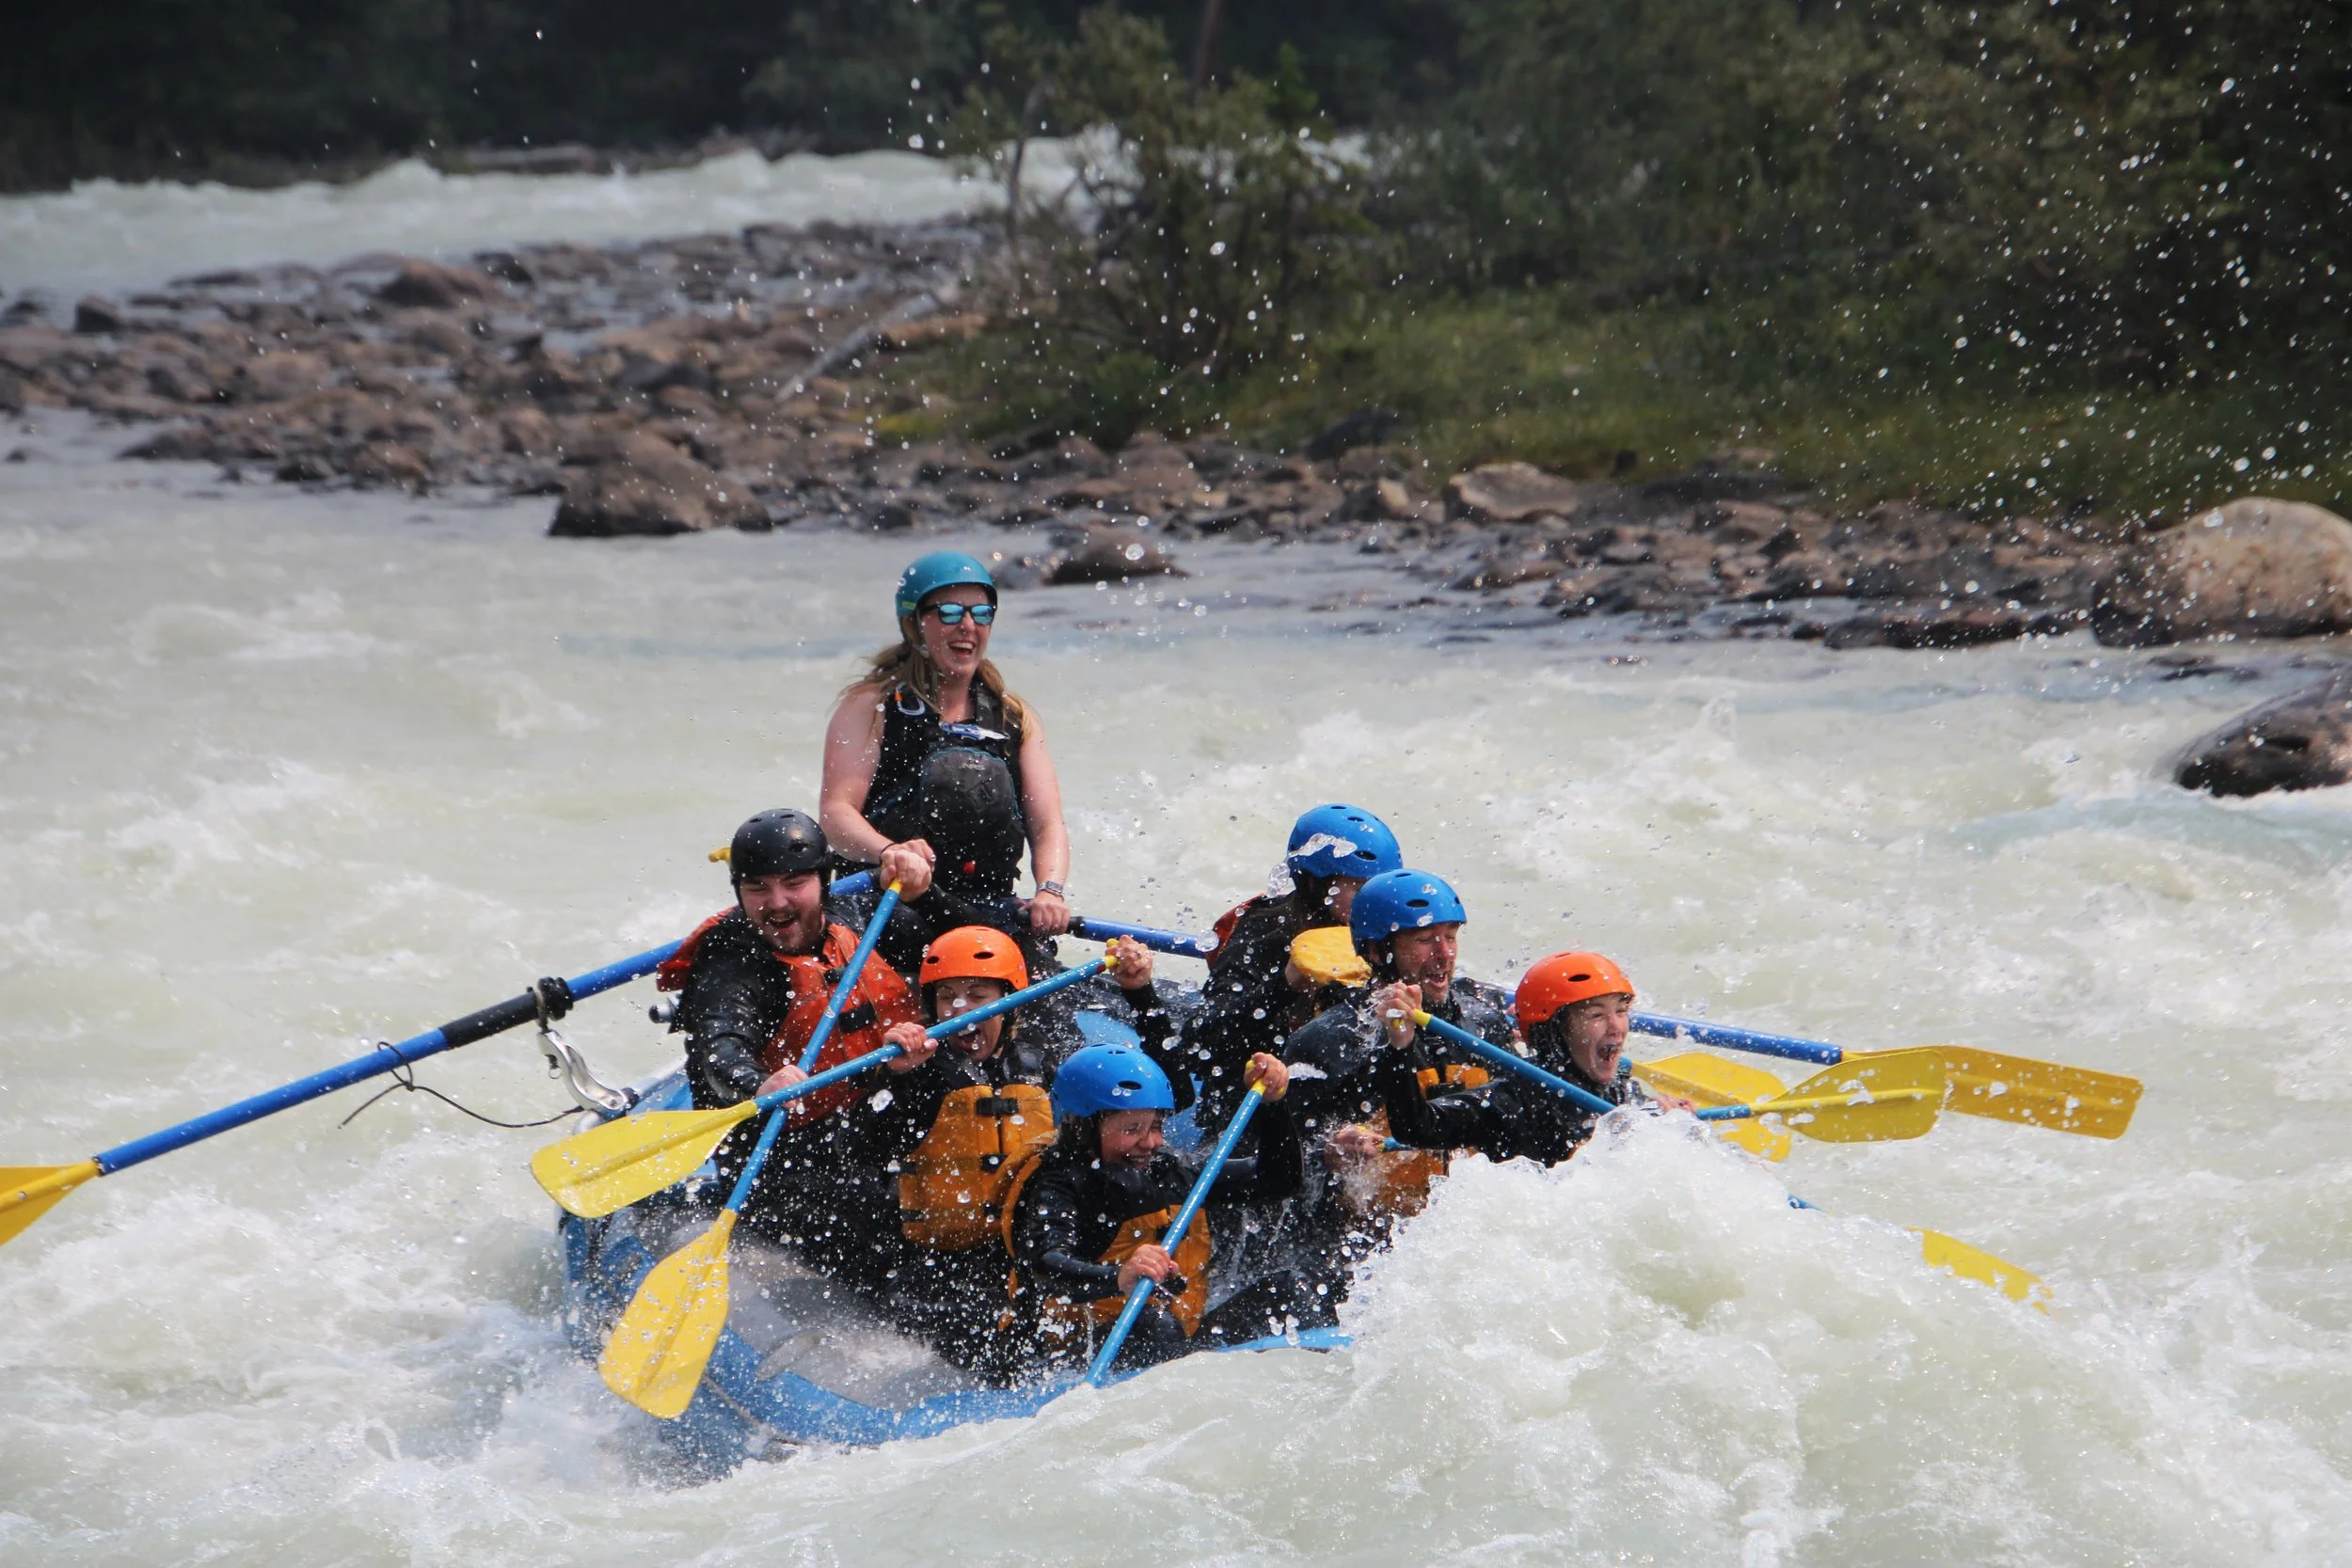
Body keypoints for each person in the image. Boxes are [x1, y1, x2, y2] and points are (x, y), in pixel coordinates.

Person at [834, 928, 1192, 1374]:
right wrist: (895, 1078)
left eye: (978, 994)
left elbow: (1170, 1095)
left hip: (1036, 1247)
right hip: (947, 1268)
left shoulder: (1046, 1062)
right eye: (947, 997)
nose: (960, 1009)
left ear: (1011, 1001)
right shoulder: (921, 1073)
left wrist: (1141, 997)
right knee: (1004, 1353)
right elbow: (857, 1150)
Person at [657, 809, 933, 1265]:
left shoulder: (858, 918)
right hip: (788, 1155)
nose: (778, 902)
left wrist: (926, 890)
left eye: (793, 883)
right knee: (871, 1210)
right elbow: (720, 1045)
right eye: (757, 888)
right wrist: (756, 1084)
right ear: (739, 894)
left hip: (871, 1114)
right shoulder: (732, 964)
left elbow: (958, 942)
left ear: (824, 882)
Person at [819, 551, 1073, 977]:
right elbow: (836, 813)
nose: (967, 625)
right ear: (914, 624)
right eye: (950, 612)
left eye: (981, 613)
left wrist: (1050, 891)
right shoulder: (873, 705)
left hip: (987, 914)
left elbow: (1048, 826)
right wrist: (889, 852)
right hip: (886, 908)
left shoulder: (1014, 717)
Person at [1274, 868, 1519, 1272]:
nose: (1445, 954)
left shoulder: (1484, 1024)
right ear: (1377, 951)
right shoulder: (1328, 1041)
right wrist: (1331, 1154)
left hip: (1476, 1236)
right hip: (1367, 1249)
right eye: (1425, 940)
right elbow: (1284, 1169)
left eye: (1451, 936)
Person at [1003, 1044, 1301, 1373]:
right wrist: (1119, 1277)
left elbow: (1278, 1181)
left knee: (1290, 1289)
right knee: (1153, 1325)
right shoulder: (1057, 1184)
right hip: (1073, 1354)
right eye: (1132, 1130)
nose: (1150, 1143)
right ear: (1083, 1127)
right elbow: (1045, 1266)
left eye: (1155, 1127)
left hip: (1174, 1339)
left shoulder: (1167, 1173)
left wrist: (1274, 1107)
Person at [1186, 803, 1403, 1129]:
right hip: (1261, 1107)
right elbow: (1199, 1042)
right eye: (1358, 888)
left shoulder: (1384, 935)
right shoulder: (1265, 934)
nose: (1372, 902)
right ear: (1315, 884)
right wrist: (1284, 985)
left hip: (1342, 1103)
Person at [1379, 951, 1657, 1165]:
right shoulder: (1511, 1100)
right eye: (1597, 1015)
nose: (1616, 1027)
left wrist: (1674, 1124)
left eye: (1621, 1011)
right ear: (1553, 1031)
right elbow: (1417, 1128)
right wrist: (1401, 1047)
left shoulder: (1623, 1091)